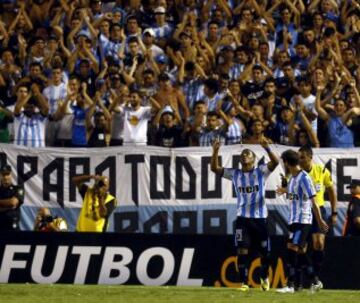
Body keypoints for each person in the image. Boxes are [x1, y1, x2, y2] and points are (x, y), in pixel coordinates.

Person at [211, 137, 279, 291]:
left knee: (265, 252)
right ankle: (244, 283)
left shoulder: (261, 171)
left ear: (254, 160)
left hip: (260, 219)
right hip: (243, 219)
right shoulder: (235, 174)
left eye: (248, 154)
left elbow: (275, 163)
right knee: (242, 250)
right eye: (243, 154)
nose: (245, 155)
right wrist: (215, 151)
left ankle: (264, 277)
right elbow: (215, 169)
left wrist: (267, 148)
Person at [276, 150, 328, 294]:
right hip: (294, 220)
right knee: (299, 252)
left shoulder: (304, 177)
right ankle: (315, 281)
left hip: (303, 220)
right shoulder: (293, 178)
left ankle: (290, 285)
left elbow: (314, 201)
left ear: (286, 162)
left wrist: (320, 220)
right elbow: (297, 193)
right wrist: (284, 190)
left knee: (292, 248)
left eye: (283, 162)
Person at [298, 145, 337, 289]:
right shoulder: (297, 173)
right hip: (302, 211)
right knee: (301, 248)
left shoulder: (321, 171)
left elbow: (332, 191)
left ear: (309, 157)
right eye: (298, 157)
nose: (299, 160)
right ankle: (309, 279)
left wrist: (334, 212)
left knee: (319, 243)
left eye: (302, 157)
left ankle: (316, 277)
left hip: (318, 210)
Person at [0, 164, 24, 231]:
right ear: (0, 176)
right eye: (3, 175)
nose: (6, 177)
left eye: (8, 174)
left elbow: (13, 203)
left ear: (11, 175)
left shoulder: (19, 189)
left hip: (13, 228)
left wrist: (3, 205)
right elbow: (11, 205)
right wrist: (9, 206)